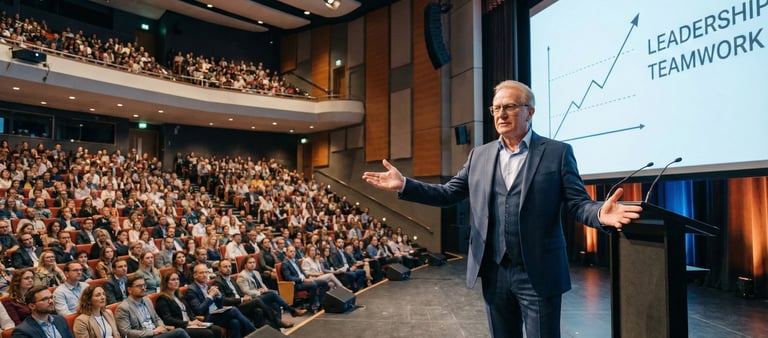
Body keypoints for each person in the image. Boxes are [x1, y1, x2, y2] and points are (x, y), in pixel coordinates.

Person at [361, 80, 644, 338]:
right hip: (494, 272)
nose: (501, 114)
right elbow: (448, 193)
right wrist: (404, 185)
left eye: (509, 107)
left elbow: (577, 203)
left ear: (529, 112)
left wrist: (598, 214)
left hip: (538, 273)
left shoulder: (557, 153)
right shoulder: (479, 155)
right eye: (496, 108)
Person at [184, 263, 256, 338]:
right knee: (233, 310)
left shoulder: (208, 286)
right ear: (195, 275)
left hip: (216, 313)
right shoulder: (191, 290)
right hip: (205, 317)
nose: (205, 275)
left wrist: (219, 296)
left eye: (206, 272)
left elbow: (219, 305)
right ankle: (254, 331)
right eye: (201, 273)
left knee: (235, 322)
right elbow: (199, 310)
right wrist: (210, 296)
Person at [213, 259, 288, 329]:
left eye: (229, 266)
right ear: (219, 269)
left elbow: (239, 292)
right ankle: (276, 320)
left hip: (242, 304)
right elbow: (224, 300)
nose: (228, 268)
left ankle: (264, 333)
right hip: (233, 307)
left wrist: (244, 296)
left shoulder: (231, 279)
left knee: (258, 310)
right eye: (225, 267)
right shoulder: (218, 282)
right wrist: (241, 299)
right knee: (257, 300)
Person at [236, 255, 308, 323]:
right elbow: (245, 291)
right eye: (250, 263)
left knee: (275, 304)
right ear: (245, 265)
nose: (252, 264)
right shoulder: (242, 276)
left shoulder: (256, 272)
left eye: (254, 262)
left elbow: (262, 284)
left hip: (261, 295)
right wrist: (259, 292)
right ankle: (292, 310)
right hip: (253, 298)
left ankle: (278, 325)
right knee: (273, 294)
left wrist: (265, 290)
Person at [114, 275, 190, 338]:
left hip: (156, 333)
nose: (143, 288)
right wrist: (153, 332)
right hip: (146, 336)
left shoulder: (147, 301)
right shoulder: (123, 308)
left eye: (144, 285)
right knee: (179, 332)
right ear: (129, 290)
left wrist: (161, 328)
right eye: (139, 286)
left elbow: (157, 318)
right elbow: (126, 333)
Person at [156, 271, 223, 338]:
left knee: (216, 329)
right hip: (181, 327)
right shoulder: (162, 299)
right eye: (173, 280)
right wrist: (188, 323)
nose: (176, 281)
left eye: (177, 279)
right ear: (166, 282)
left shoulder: (179, 296)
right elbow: (168, 319)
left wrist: (195, 320)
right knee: (208, 333)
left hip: (190, 324)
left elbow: (189, 312)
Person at [9, 285, 74, 338]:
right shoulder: (22, 332)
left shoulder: (60, 320)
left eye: (51, 297)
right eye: (45, 299)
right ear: (32, 306)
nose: (51, 301)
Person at [280, 245, 328, 313]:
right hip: (296, 284)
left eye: (294, 251)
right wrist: (303, 280)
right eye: (291, 251)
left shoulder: (296, 260)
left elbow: (302, 271)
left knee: (324, 283)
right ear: (286, 252)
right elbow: (288, 278)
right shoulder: (285, 264)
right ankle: (311, 305)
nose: (293, 253)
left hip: (304, 280)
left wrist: (307, 277)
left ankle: (320, 303)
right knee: (313, 285)